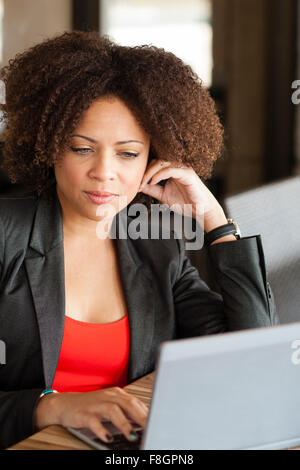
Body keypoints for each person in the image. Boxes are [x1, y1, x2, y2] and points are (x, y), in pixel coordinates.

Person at [0, 30, 278, 450]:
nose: (104, 172)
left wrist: (215, 222)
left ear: (154, 157)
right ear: (50, 146)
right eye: (81, 148)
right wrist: (52, 407)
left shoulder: (155, 245)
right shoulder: (6, 235)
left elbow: (249, 357)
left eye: (128, 153)